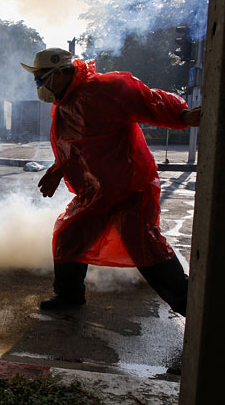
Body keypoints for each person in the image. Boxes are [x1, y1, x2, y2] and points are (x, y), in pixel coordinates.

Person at [20, 48, 200, 316]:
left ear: (60, 73)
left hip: (130, 186)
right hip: (97, 190)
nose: (38, 86)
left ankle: (192, 307)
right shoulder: (64, 103)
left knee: (145, 245)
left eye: (40, 78)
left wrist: (183, 116)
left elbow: (149, 99)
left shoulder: (105, 88)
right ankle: (69, 294)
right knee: (69, 234)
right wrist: (59, 169)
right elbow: (77, 145)